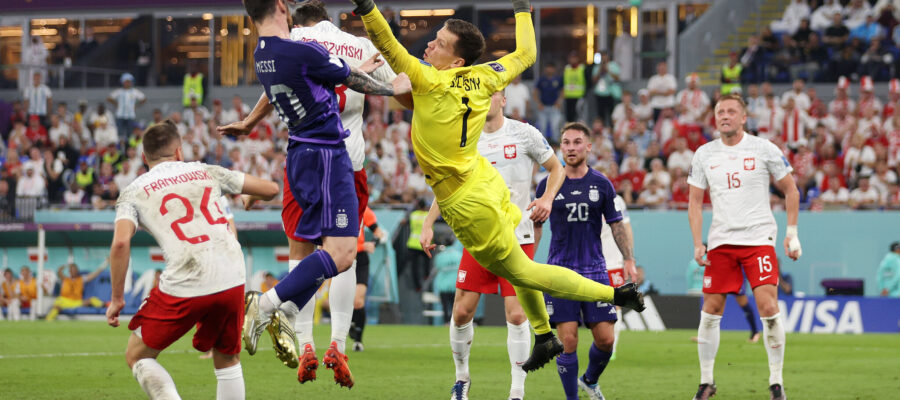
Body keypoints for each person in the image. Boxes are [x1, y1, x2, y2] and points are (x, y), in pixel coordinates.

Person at [350, 0, 645, 379]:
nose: (429, 46)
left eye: (438, 43)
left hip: (467, 201)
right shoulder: (487, 76)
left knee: (524, 273)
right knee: (520, 274)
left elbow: (388, 43)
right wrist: (523, 8)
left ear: (457, 61)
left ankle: (616, 295)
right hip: (483, 180)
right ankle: (544, 336)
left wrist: (367, 7)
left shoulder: (429, 79)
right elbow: (527, 52)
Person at [226, 0, 410, 387]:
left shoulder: (268, 52)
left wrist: (248, 122)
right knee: (344, 254)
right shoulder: (338, 44)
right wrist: (396, 87)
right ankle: (311, 328)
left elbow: (310, 79)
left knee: (302, 250)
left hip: (298, 156)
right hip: (337, 157)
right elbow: (362, 84)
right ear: (281, 7)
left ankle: (302, 336)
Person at [104, 120, 280, 400]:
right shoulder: (204, 170)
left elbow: (121, 242)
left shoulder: (133, 191)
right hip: (232, 273)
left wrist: (116, 299)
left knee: (137, 355)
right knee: (227, 358)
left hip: (186, 277)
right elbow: (271, 189)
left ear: (144, 157)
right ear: (178, 152)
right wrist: (250, 197)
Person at [419, 89, 563, 400]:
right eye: (478, 96)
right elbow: (448, 187)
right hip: (478, 238)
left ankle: (517, 391)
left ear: (503, 99)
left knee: (516, 314)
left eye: (491, 94)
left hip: (517, 237)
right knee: (461, 313)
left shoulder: (524, 134)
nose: (484, 100)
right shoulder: (465, 141)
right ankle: (462, 380)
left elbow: (556, 167)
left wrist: (547, 199)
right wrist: (428, 223)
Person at [688, 94, 801, 400]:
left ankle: (776, 382)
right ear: (715, 118)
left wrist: (792, 233)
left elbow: (791, 190)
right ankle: (707, 382)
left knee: (768, 307)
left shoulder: (764, 149)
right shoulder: (704, 154)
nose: (725, 116)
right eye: (720, 112)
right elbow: (695, 202)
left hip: (758, 240)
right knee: (710, 310)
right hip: (721, 242)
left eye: (731, 111)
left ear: (743, 117)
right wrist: (698, 243)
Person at [533, 122, 637, 400]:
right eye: (565, 143)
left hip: (595, 272)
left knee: (606, 340)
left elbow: (616, 225)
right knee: (568, 342)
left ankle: (590, 380)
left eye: (577, 142)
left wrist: (628, 259)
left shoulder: (602, 184)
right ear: (560, 148)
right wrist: (528, 260)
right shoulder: (547, 184)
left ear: (588, 147)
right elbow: (537, 224)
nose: (570, 148)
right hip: (560, 272)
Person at [348, 206, 388, 352]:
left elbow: (379, 233)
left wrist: (373, 243)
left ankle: (358, 340)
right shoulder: (338, 206)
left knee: (358, 300)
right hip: (343, 257)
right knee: (345, 299)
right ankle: (350, 324)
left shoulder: (364, 210)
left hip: (360, 259)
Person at [108, 73, 147, 144]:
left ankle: (129, 147)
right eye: (126, 81)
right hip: (120, 115)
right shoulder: (119, 91)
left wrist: (136, 106)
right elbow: (109, 98)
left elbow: (143, 98)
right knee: (120, 133)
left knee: (130, 134)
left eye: (129, 81)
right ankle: (120, 148)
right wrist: (116, 104)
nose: (128, 83)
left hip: (130, 115)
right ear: (123, 82)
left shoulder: (135, 91)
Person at [563, 52, 586, 123]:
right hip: (568, 96)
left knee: (579, 116)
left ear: (577, 59)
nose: (573, 60)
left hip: (579, 96)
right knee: (569, 117)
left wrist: (585, 95)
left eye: (574, 58)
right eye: (571, 58)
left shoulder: (582, 68)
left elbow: (587, 82)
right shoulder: (567, 68)